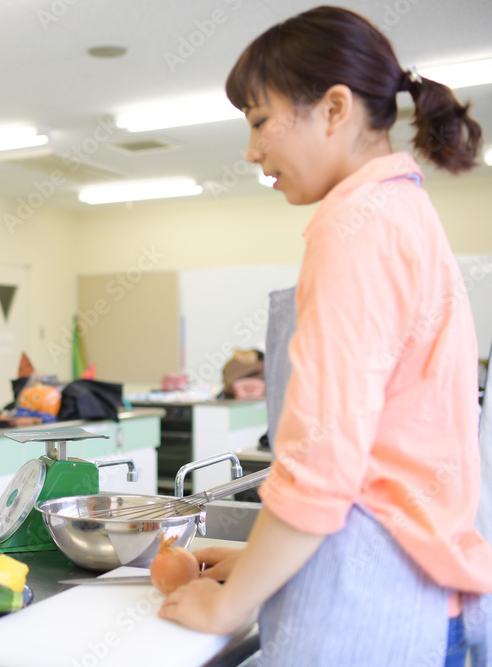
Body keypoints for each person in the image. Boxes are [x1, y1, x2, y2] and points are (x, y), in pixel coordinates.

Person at [157, 7, 492, 666]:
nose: (252, 152)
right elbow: (377, 460)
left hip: (371, 612)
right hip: (415, 595)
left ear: (334, 110)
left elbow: (321, 466)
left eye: (259, 122)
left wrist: (231, 601)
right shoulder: (401, 210)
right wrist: (259, 559)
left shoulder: (357, 229)